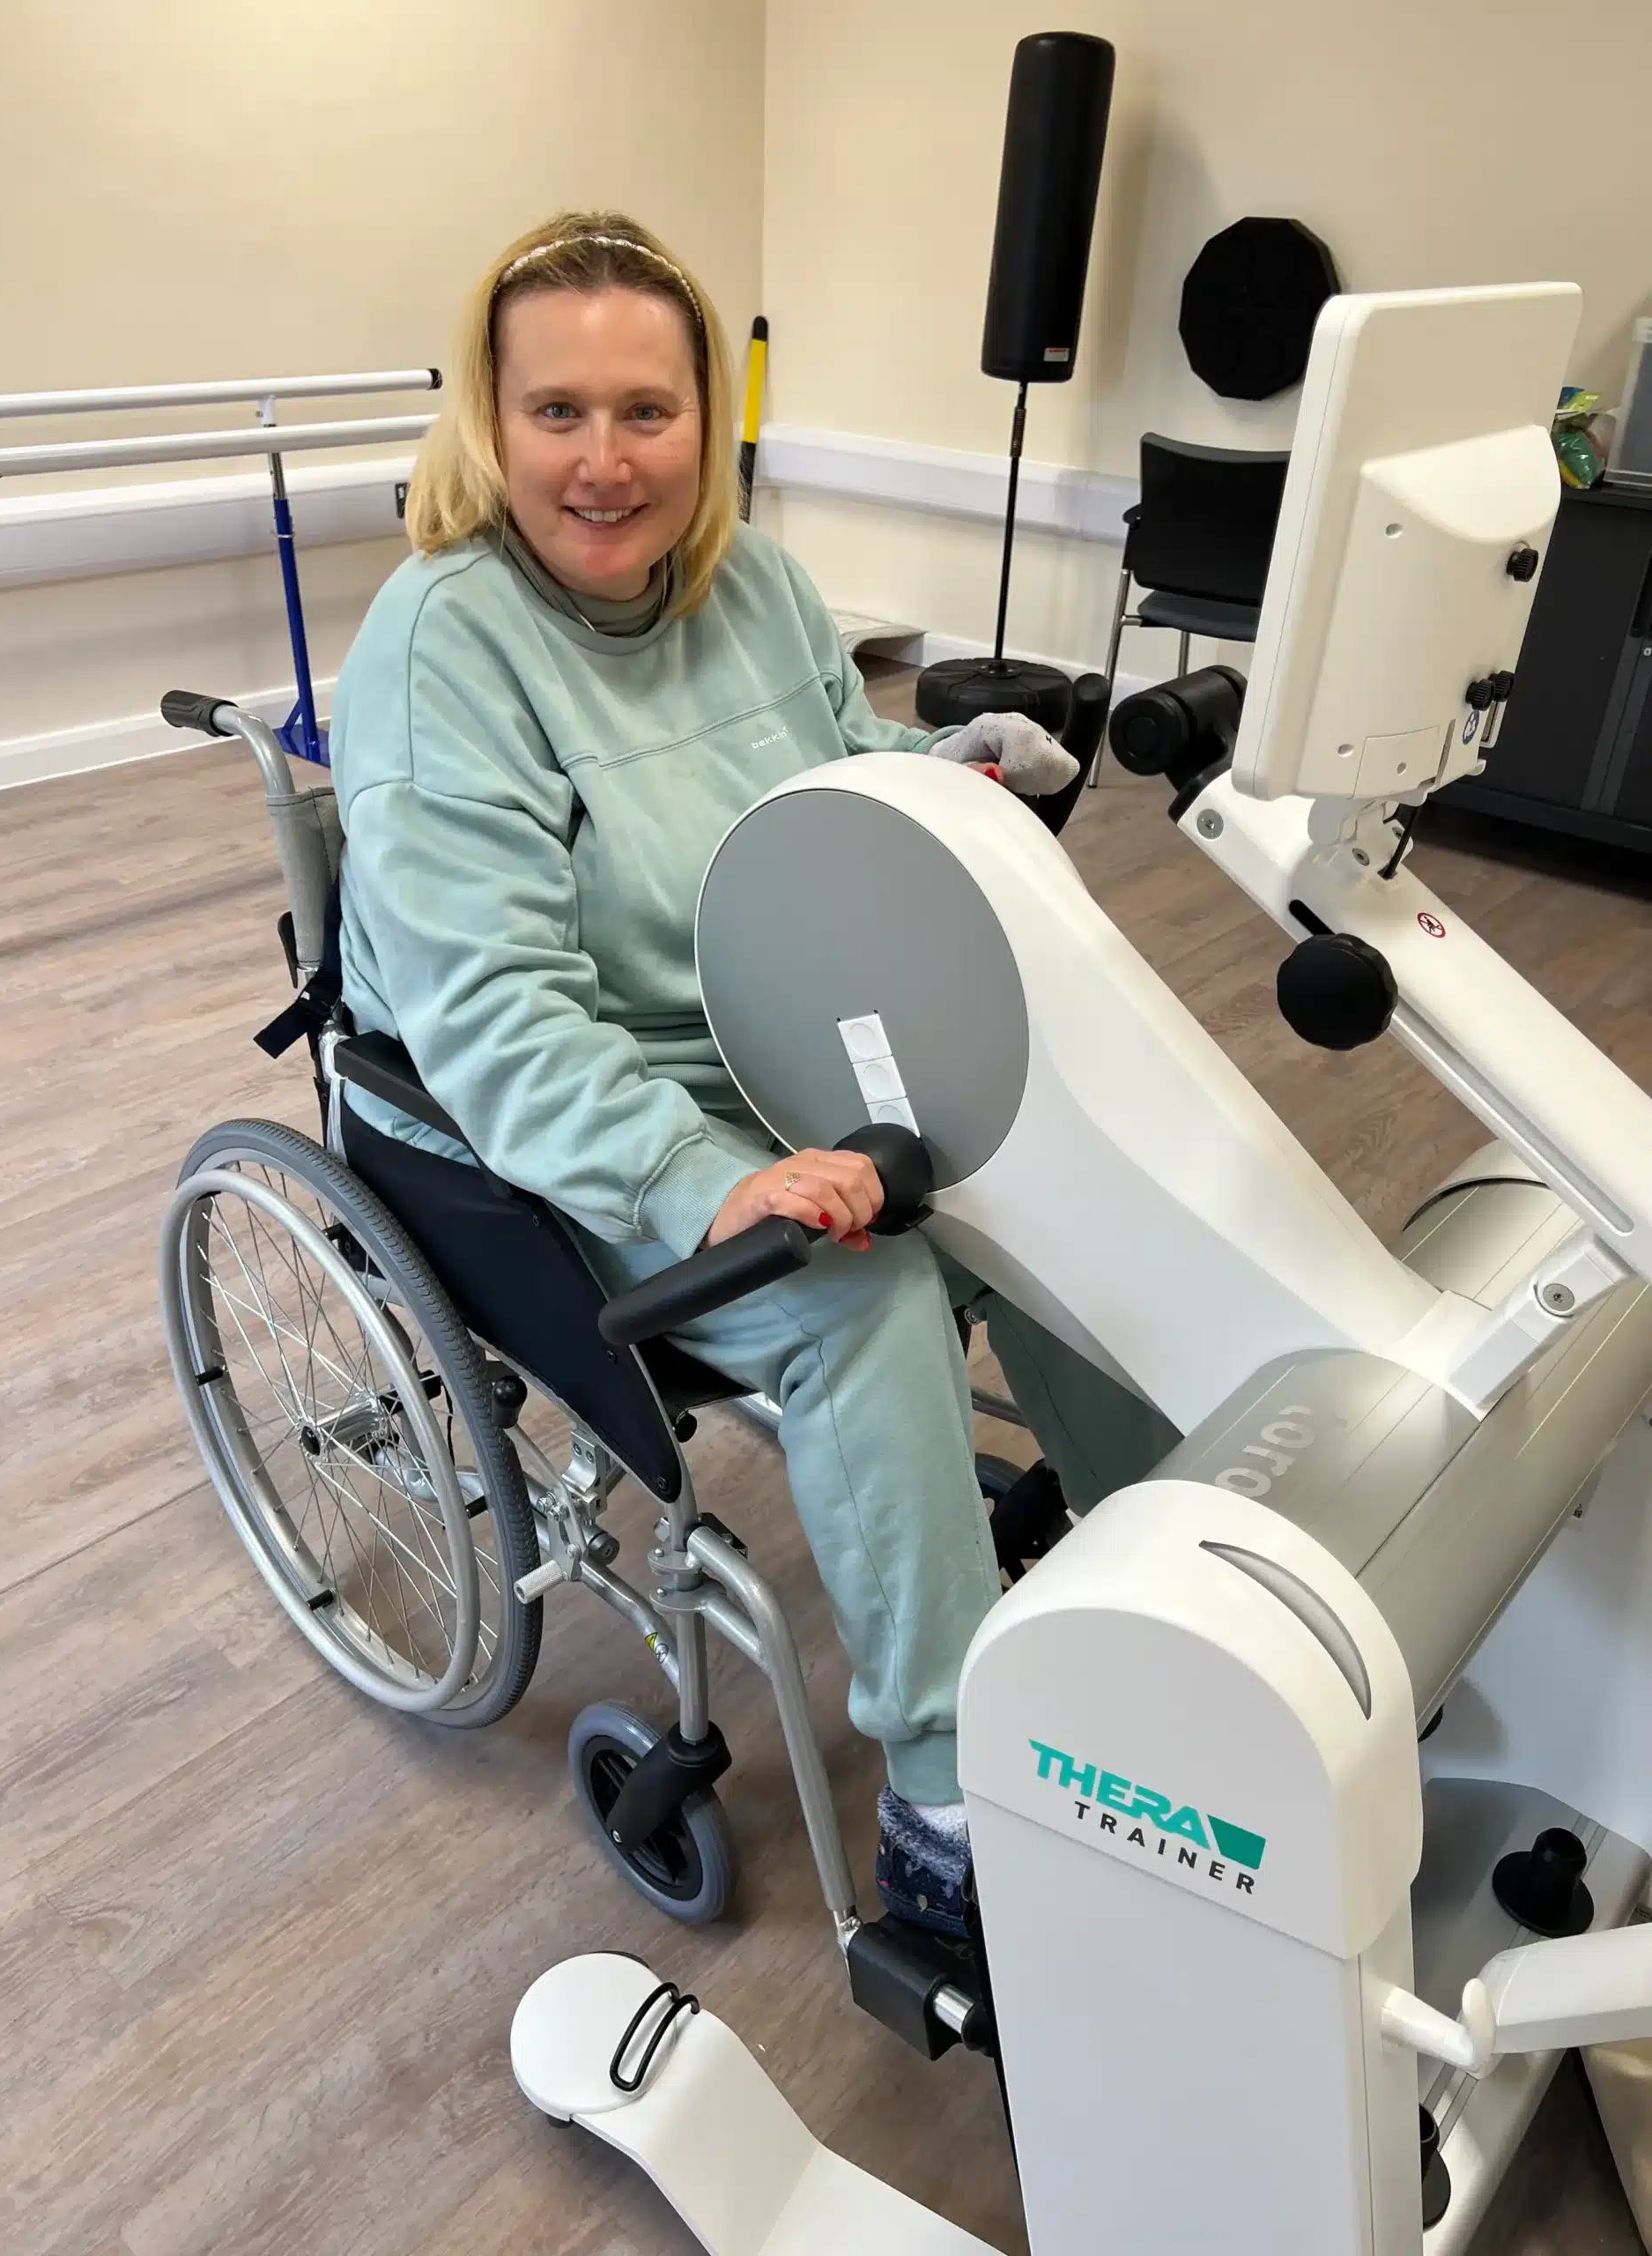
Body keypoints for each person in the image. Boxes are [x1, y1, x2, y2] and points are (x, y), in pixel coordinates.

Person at [330, 211, 1174, 1935]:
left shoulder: (761, 584)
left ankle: (1164, 1572)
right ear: (489, 423)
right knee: (864, 1296)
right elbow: (496, 1015)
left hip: (780, 1027)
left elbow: (834, 771)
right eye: (556, 410)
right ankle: (944, 1815)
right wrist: (702, 1177)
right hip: (565, 1118)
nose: (604, 456)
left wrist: (951, 765)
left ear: (709, 422)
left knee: (1047, 1170)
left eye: (647, 409)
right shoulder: (442, 642)